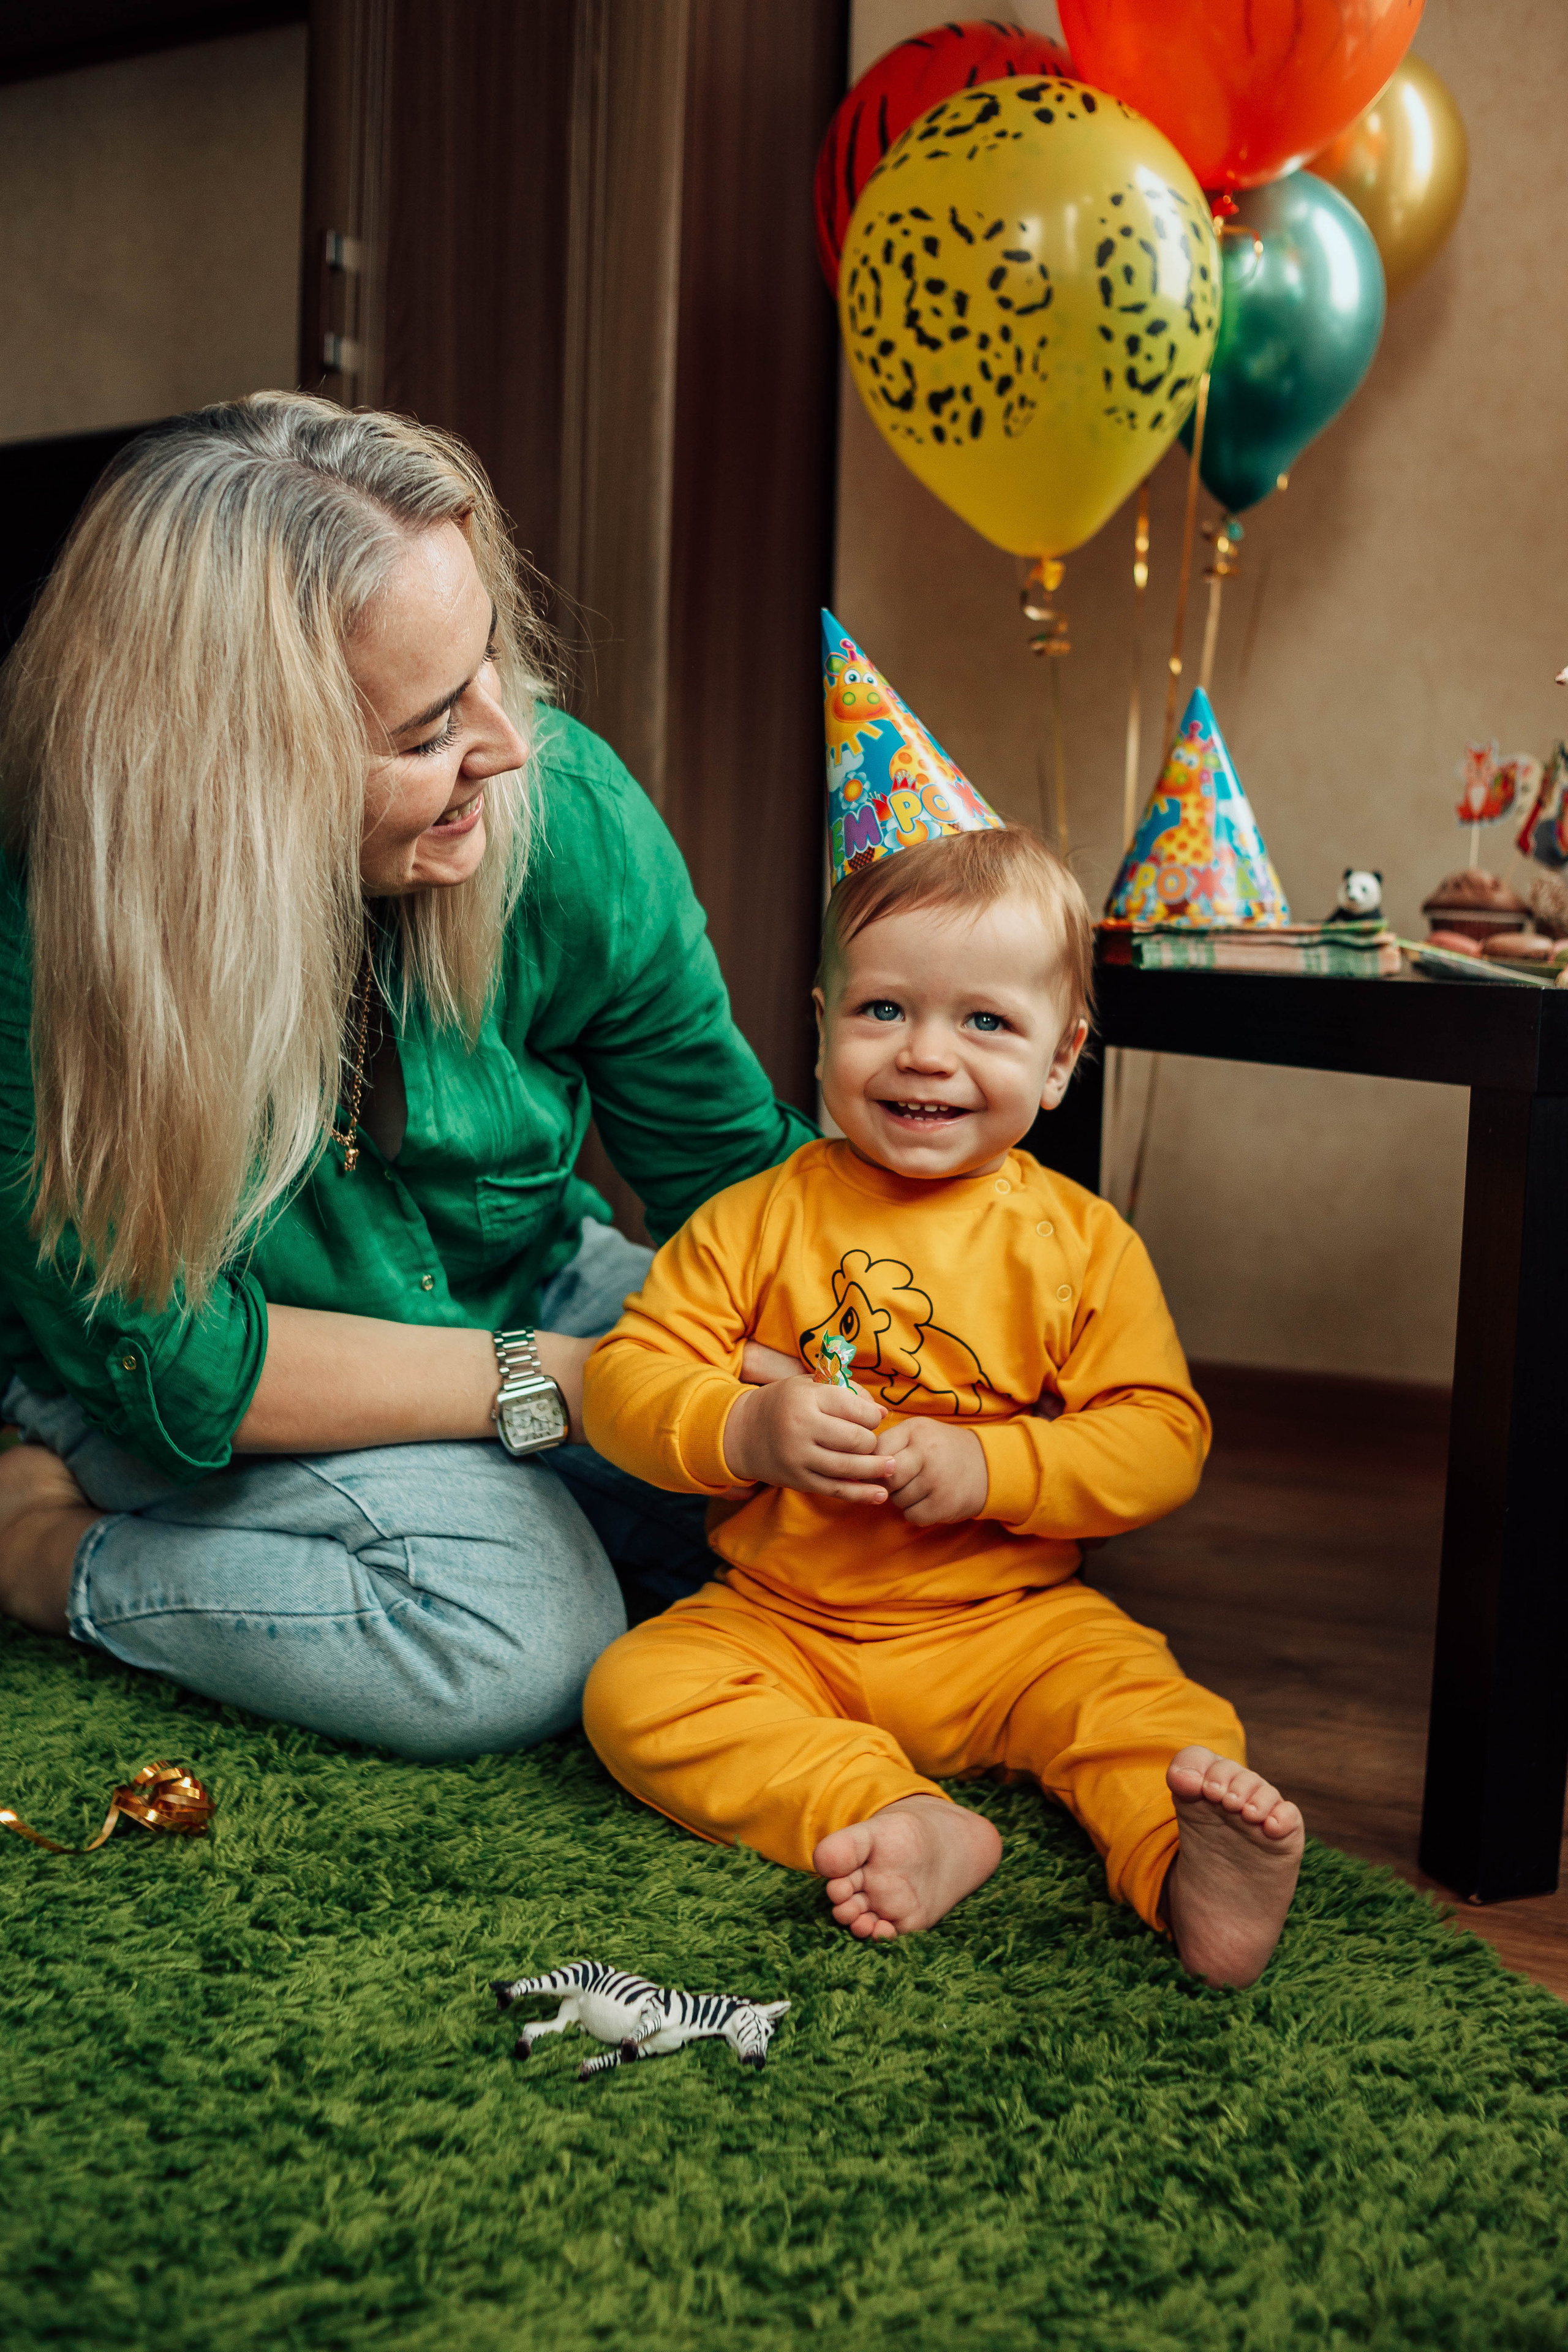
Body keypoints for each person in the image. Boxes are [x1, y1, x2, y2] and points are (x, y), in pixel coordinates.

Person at [0, 392, 813, 1758]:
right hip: (225, 1387)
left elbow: (730, 1170)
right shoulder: (49, 951)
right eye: (428, 729)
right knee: (520, 1639)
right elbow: (194, 1369)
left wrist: (938, 1305)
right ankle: (40, 1548)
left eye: (491, 664)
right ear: (238, 774)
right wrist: (576, 1386)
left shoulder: (564, 808)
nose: (503, 745)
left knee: (901, 1524)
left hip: (534, 1290)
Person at [578, 628, 1304, 1988]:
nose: (923, 1052)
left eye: (984, 1023)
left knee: (1141, 1707)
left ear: (1059, 1060)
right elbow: (624, 1382)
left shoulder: (1079, 1244)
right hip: (784, 1618)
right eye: (883, 1010)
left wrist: (992, 1464)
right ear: (817, 1023)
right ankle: (895, 1815)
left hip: (1011, 1626)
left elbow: (1158, 1435)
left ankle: (1185, 1868)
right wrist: (745, 1432)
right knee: (633, 1693)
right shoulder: (756, 1215)